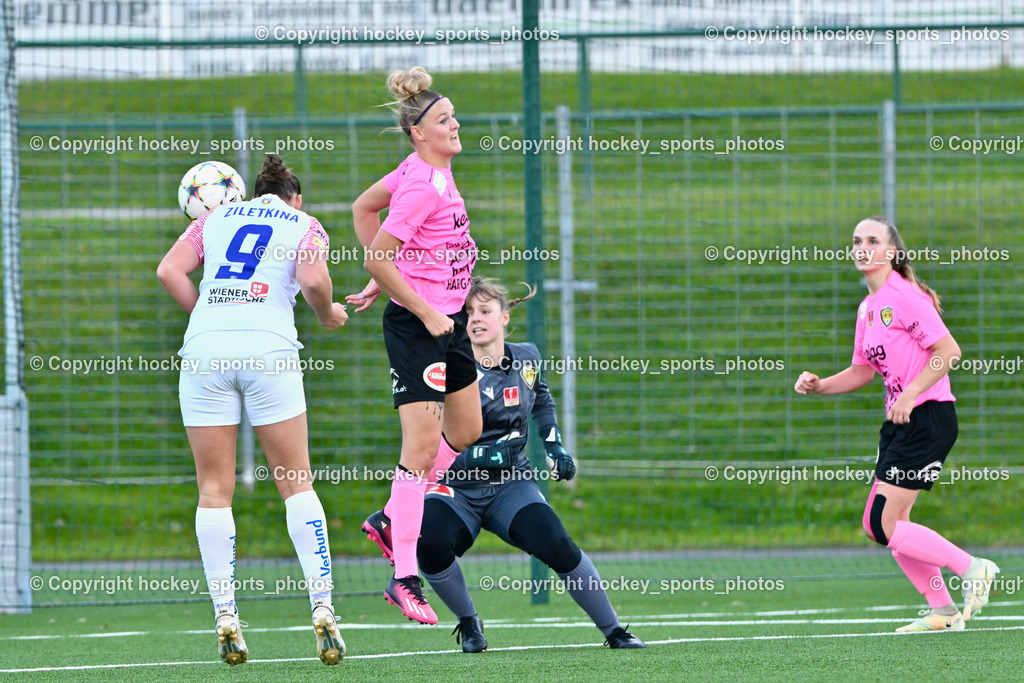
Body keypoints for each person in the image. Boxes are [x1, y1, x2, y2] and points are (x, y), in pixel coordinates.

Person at [363, 277, 645, 651]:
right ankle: (470, 623)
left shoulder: (527, 358)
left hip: (511, 485)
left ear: (505, 316)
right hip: (454, 488)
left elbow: (541, 397)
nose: (475, 319)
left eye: (484, 310)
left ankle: (614, 631)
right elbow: (428, 432)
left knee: (557, 544)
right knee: (427, 541)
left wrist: (554, 446)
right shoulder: (448, 366)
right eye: (467, 312)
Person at [157, 154, 349, 665]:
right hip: (270, 349)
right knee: (296, 481)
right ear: (296, 197)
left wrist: (208, 318)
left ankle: (225, 614)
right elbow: (311, 282)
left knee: (213, 490)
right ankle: (323, 605)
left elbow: (169, 271)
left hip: (204, 350)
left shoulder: (213, 218)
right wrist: (329, 314)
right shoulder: (306, 225)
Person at [794, 216, 1000, 633]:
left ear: (892, 252)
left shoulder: (904, 297)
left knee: (878, 523)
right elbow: (861, 372)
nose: (862, 247)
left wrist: (910, 393)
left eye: (873, 240)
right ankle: (943, 613)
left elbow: (948, 351)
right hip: (900, 422)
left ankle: (974, 567)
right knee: (894, 526)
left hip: (927, 417)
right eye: (856, 241)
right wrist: (819, 386)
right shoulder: (867, 308)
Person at [347, 66, 482, 625]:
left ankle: (387, 516)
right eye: (444, 120)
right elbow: (375, 249)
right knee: (421, 452)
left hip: (446, 321)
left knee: (468, 431)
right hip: (419, 326)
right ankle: (405, 576)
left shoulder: (425, 172)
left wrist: (394, 272)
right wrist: (415, 301)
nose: (455, 125)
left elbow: (363, 208)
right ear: (418, 133)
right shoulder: (423, 185)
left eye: (452, 116)